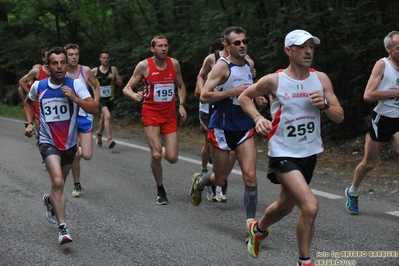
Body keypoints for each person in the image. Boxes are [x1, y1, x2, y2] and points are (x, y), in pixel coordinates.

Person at [238, 29, 344, 265]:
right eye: (302, 47)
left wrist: (325, 104)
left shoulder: (321, 79)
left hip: (309, 153)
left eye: (311, 47)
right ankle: (304, 261)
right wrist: (258, 118)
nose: (308, 51)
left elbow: (339, 116)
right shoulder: (274, 80)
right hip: (283, 153)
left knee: (285, 206)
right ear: (288, 51)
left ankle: (258, 229)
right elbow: (245, 96)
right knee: (309, 207)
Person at [189, 26, 261, 244]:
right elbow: (204, 96)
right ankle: (200, 183)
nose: (242, 45)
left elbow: (248, 88)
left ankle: (252, 226)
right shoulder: (222, 66)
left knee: (250, 175)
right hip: (221, 126)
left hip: (244, 126)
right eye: (237, 42)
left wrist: (255, 96)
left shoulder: (249, 64)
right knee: (220, 179)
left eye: (244, 41)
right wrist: (231, 92)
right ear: (226, 45)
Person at [23, 46, 98, 245]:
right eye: (54, 63)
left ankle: (50, 200)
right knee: (57, 181)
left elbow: (94, 107)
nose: (59, 66)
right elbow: (27, 103)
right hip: (47, 141)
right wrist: (30, 123)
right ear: (47, 66)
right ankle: (63, 229)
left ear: (66, 64)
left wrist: (74, 98)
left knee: (60, 184)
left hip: (70, 144)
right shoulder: (39, 86)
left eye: (62, 62)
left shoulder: (76, 84)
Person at [122, 35, 187, 205]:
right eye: (160, 46)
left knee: (172, 158)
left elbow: (180, 85)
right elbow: (127, 87)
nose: (164, 49)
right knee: (157, 155)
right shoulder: (144, 65)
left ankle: (157, 148)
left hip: (169, 114)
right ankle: (160, 189)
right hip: (150, 113)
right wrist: (134, 94)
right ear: (153, 49)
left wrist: (182, 104)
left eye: (166, 45)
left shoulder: (174, 64)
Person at [345, 30, 399, 215]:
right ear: (389, 49)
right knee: (369, 164)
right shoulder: (382, 65)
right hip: (382, 119)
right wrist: (394, 92)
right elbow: (368, 95)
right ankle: (352, 191)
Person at [64, 43, 100, 198]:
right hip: (68, 118)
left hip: (84, 115)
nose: (73, 57)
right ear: (65, 56)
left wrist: (95, 103)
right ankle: (76, 184)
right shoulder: (61, 72)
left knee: (87, 155)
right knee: (75, 155)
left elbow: (96, 86)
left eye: (76, 54)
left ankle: (75, 148)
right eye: (70, 54)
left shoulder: (85, 71)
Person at [195, 41, 224, 202]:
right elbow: (197, 89)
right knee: (209, 143)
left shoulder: (232, 65)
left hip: (221, 109)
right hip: (206, 109)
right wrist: (204, 91)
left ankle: (218, 183)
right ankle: (204, 170)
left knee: (220, 145)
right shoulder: (209, 63)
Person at [92, 51, 124, 148]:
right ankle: (110, 139)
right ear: (100, 59)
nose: (105, 60)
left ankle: (99, 134)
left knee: (104, 118)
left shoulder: (113, 70)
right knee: (108, 116)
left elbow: (120, 83)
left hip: (110, 98)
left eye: (107, 58)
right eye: (104, 58)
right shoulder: (94, 71)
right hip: (100, 98)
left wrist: (114, 78)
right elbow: (86, 82)